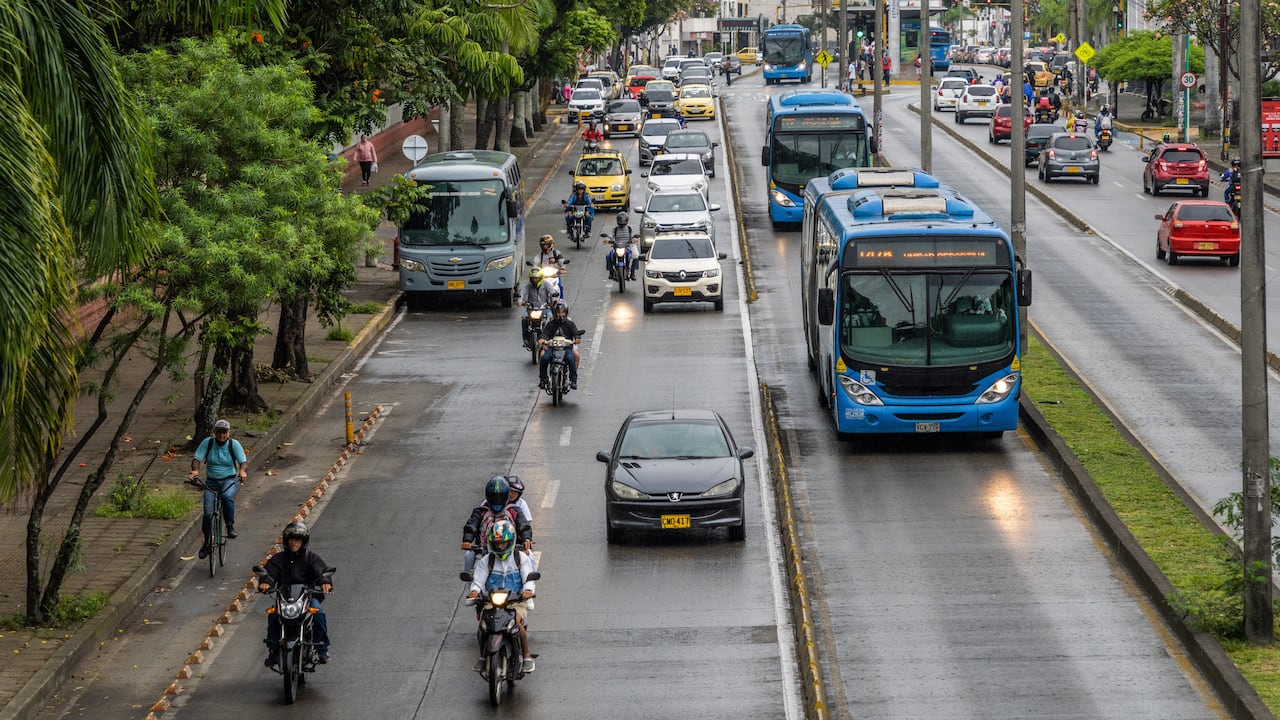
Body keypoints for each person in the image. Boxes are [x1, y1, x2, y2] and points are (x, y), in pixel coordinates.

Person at [467, 519, 538, 673]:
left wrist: (527, 591)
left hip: (515, 602)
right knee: (483, 627)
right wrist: (474, 591)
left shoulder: (521, 558)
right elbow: (478, 581)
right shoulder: (487, 561)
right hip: (492, 601)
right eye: (497, 543)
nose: (500, 546)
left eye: (503, 543)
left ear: (510, 541)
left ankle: (526, 656)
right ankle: (483, 657)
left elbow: (528, 579)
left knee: (517, 624)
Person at [258, 522, 332, 667]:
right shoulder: (278, 559)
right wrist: (265, 582)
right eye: (291, 539)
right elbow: (269, 574)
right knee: (273, 615)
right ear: (286, 540)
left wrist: (325, 582)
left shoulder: (310, 557)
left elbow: (321, 571)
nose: (294, 542)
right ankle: (273, 651)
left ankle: (322, 649)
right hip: (284, 597)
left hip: (307, 596)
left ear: (303, 541)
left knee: (319, 614)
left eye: (298, 539)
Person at [189, 419, 247, 559]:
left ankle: (229, 525)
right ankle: (207, 544)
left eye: (224, 432)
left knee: (227, 497)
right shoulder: (208, 443)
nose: (222, 435)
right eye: (219, 432)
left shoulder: (234, 444)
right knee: (208, 514)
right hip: (211, 482)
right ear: (215, 432)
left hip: (229, 480)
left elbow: (243, 462)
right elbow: (197, 459)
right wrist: (195, 471)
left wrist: (242, 471)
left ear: (228, 433)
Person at [462, 476, 534, 575]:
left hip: (512, 549)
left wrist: (526, 540)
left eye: (501, 496)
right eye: (494, 497)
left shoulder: (514, 510)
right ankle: (472, 587)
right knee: (469, 556)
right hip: (485, 550)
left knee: (529, 555)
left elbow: (524, 525)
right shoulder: (481, 510)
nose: (497, 500)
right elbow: (471, 525)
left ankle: (529, 584)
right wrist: (467, 540)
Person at [538, 300, 582, 390]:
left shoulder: (570, 324)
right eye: (558, 313)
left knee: (571, 358)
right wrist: (542, 340)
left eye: (562, 313)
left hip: (566, 349)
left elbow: (575, 333)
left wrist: (577, 338)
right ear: (554, 313)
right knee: (544, 358)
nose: (560, 315)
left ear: (566, 313)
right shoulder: (551, 324)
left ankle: (573, 380)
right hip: (552, 348)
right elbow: (544, 334)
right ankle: (543, 379)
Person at [517, 267, 559, 347]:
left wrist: (554, 300)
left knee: (550, 318)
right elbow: (522, 292)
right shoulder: (528, 286)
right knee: (524, 318)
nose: (535, 280)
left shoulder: (546, 284)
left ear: (541, 278)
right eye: (533, 278)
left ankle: (549, 337)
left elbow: (553, 292)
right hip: (531, 309)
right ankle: (526, 339)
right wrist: (520, 300)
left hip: (545, 308)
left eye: (537, 278)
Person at [603, 212, 640, 281]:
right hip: (617, 247)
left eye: (623, 220)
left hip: (627, 247)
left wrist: (634, 239)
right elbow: (612, 236)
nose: (622, 222)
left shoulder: (629, 228)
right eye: (620, 220)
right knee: (608, 256)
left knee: (636, 256)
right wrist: (608, 239)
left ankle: (632, 272)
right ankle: (611, 272)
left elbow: (632, 236)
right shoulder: (615, 229)